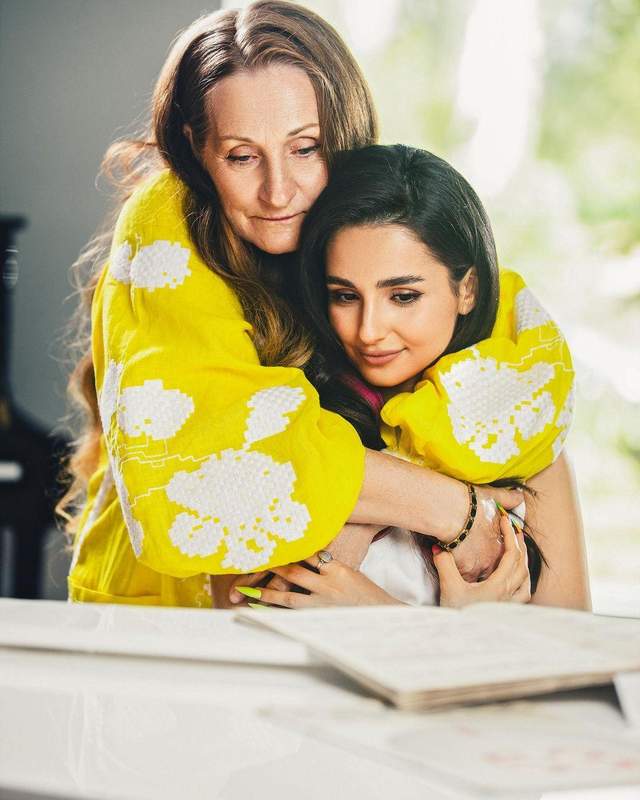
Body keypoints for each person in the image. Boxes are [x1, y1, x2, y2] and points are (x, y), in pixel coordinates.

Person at [61, 2, 586, 609]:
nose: (278, 191)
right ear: (195, 150)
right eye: (241, 156)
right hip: (169, 623)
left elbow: (565, 634)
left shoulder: (501, 403)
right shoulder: (170, 233)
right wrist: (459, 513)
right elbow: (222, 481)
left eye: (306, 147)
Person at [229, 145, 588, 610]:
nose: (368, 331)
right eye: (345, 296)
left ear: (467, 289)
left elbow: (565, 647)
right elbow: (236, 615)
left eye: (402, 296)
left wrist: (381, 614)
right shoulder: (288, 420)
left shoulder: (526, 443)